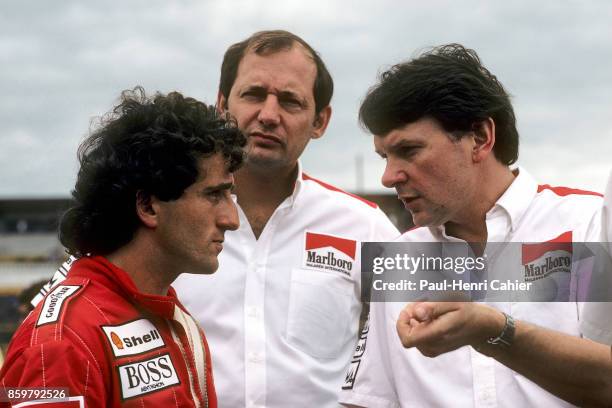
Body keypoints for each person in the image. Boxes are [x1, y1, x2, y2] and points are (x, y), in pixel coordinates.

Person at [338, 44, 604, 408]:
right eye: (385, 156)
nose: (388, 177)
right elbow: (369, 400)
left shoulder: (587, 224)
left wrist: (494, 330)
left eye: (409, 150)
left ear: (479, 137)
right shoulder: (398, 259)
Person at [173, 30, 399, 407]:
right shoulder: (166, 219)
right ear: (221, 104)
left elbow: (452, 309)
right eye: (254, 94)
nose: (268, 115)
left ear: (320, 121)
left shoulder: (365, 227)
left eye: (291, 102)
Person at [0, 87, 246, 407]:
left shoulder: (171, 314)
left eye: (230, 196)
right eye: (214, 195)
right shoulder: (61, 341)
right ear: (147, 205)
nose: (231, 219)